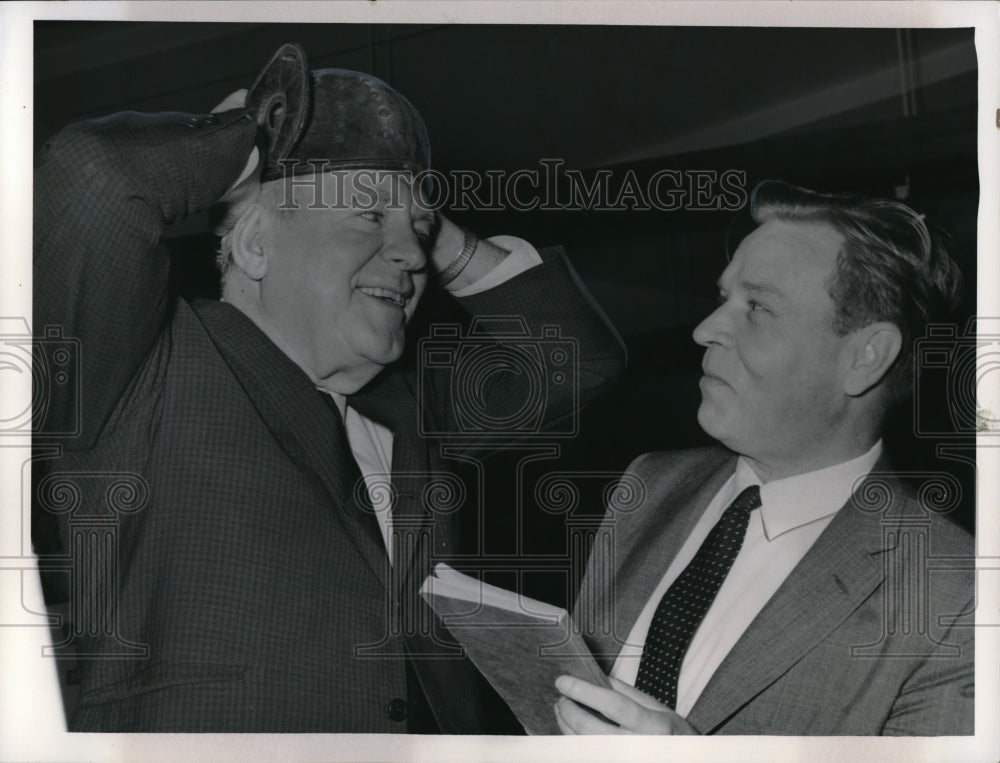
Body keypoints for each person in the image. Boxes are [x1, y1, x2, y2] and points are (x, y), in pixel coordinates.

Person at [32, 52, 625, 732]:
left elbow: (580, 359)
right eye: (366, 218)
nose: (409, 257)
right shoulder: (146, 366)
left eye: (419, 238)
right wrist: (250, 139)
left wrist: (425, 223)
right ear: (255, 244)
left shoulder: (408, 410)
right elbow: (90, 179)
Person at [556, 181, 973, 735]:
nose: (705, 330)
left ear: (865, 358)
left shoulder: (956, 595)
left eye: (757, 306)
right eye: (723, 297)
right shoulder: (650, 482)